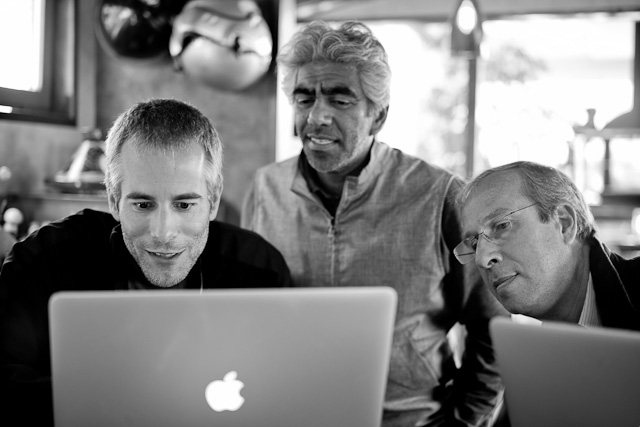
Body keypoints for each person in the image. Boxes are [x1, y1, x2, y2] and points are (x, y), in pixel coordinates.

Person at [241, 21, 508, 427]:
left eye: (340, 100)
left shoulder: (440, 196)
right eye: (304, 98)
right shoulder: (265, 189)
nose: (317, 118)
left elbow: (492, 328)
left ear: (378, 115)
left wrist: (466, 422)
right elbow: (249, 319)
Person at [0, 98, 292, 426]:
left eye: (184, 205)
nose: (164, 233)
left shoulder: (259, 269)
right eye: (142, 204)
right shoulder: (45, 261)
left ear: (213, 200)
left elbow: (287, 392)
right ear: (113, 199)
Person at [455, 161, 640, 330]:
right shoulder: (526, 359)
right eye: (474, 243)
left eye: (502, 226)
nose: (481, 258)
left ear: (564, 223)